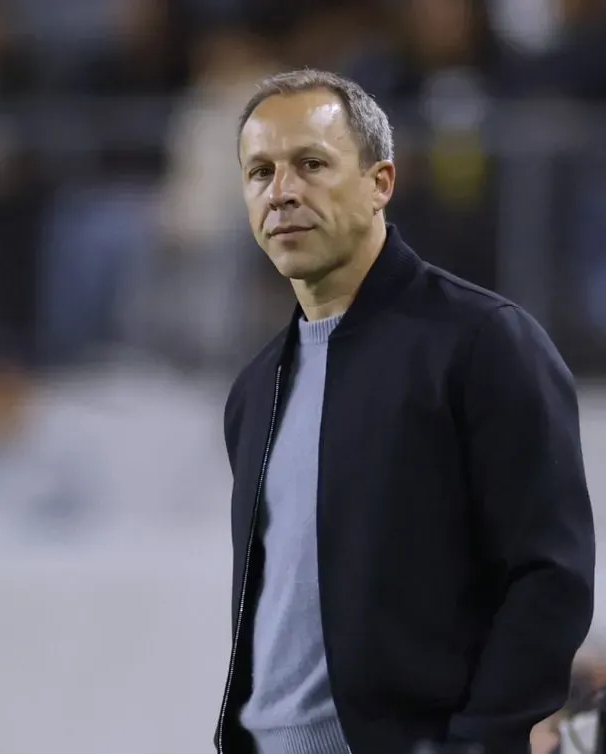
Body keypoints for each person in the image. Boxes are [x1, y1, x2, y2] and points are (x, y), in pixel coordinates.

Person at [215, 69, 595, 754]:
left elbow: (549, 577)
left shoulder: (484, 344)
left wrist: (479, 743)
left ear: (380, 183)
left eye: (311, 164)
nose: (283, 193)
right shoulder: (254, 389)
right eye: (260, 172)